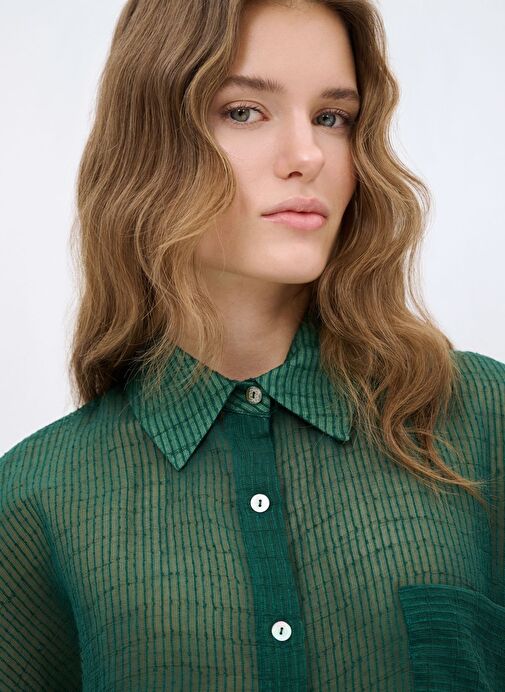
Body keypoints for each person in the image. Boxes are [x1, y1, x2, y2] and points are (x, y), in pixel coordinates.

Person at [1, 0, 504, 689]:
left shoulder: (481, 421)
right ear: (151, 144)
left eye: (332, 117)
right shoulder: (35, 501)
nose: (307, 155)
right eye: (243, 112)